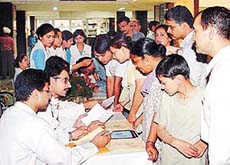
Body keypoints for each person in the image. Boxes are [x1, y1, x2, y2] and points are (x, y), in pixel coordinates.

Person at [0, 69, 110, 164]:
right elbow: (64, 160)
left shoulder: (9, 114)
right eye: (47, 91)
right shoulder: (33, 123)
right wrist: (93, 145)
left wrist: (70, 135)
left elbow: (46, 140)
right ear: (35, 94)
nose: (49, 96)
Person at [38, 56, 108, 144]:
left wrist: (76, 125)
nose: (69, 85)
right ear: (52, 80)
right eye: (65, 81)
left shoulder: (54, 100)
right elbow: (51, 141)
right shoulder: (42, 106)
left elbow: (59, 125)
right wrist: (84, 132)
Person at [193, 6, 230, 164]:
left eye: (196, 31)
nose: (194, 37)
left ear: (211, 31)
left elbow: (222, 138)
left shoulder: (223, 73)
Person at [155, 55, 207, 164]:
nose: (162, 87)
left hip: (194, 159)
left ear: (179, 79)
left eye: (164, 83)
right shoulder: (167, 96)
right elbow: (160, 129)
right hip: (170, 158)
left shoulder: (204, 97)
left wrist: (205, 143)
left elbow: (216, 128)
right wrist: (175, 142)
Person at [130, 38, 166, 164]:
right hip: (151, 132)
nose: (136, 66)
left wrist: (151, 141)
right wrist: (139, 118)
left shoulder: (163, 76)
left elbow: (159, 112)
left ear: (146, 58)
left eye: (136, 62)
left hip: (157, 137)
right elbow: (150, 104)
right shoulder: (154, 74)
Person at [164, 5, 206, 88]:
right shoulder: (187, 44)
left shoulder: (192, 47)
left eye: (172, 27)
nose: (168, 31)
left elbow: (193, 80)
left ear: (184, 26)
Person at [93, 34, 127, 106]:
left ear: (110, 49)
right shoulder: (107, 61)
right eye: (97, 57)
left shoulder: (120, 59)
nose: (100, 59)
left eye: (102, 55)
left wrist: (114, 104)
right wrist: (108, 102)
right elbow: (110, 81)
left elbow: (117, 83)